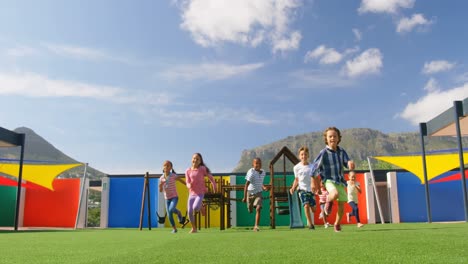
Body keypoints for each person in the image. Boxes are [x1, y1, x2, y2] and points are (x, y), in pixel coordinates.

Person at [310, 127, 355, 232]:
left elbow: (347, 162)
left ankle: (337, 224)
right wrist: (313, 182)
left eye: (335, 136)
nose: (332, 138)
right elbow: (314, 167)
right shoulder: (324, 153)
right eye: (330, 136)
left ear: (339, 138)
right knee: (334, 194)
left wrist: (350, 164)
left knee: (341, 204)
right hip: (328, 180)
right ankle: (328, 203)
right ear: (326, 138)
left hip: (340, 181)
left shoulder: (342, 151)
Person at [185, 153, 217, 233]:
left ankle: (201, 207)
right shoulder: (188, 171)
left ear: (200, 161)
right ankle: (194, 228)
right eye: (194, 158)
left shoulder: (202, 169)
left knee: (195, 208)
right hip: (191, 193)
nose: (195, 160)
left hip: (200, 192)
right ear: (191, 159)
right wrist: (189, 185)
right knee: (189, 212)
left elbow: (211, 177)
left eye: (197, 159)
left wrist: (214, 186)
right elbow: (187, 182)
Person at [290, 147, 320, 230]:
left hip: (311, 190)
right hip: (302, 189)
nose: (304, 156)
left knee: (314, 209)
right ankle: (310, 224)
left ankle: (312, 205)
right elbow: (296, 179)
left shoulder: (312, 167)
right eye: (302, 154)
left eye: (305, 154)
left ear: (308, 155)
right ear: (299, 156)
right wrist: (293, 187)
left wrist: (319, 189)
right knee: (306, 205)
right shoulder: (296, 167)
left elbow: (317, 178)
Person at [158, 160, 186, 233]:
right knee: (169, 214)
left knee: (171, 209)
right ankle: (174, 228)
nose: (166, 167)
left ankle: (178, 213)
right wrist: (160, 185)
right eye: (165, 165)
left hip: (174, 197)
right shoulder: (161, 178)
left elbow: (180, 180)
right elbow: (160, 190)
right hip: (167, 198)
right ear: (163, 168)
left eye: (168, 166)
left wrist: (188, 185)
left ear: (171, 168)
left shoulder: (173, 176)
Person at [242, 158, 268, 232]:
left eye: (259, 163)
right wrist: (244, 197)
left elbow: (260, 182)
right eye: (256, 163)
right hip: (250, 193)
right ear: (253, 165)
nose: (258, 165)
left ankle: (256, 226)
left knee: (258, 208)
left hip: (259, 193)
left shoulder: (263, 172)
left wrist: (264, 187)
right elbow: (246, 185)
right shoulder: (251, 172)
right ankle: (250, 206)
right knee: (250, 210)